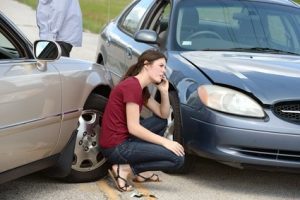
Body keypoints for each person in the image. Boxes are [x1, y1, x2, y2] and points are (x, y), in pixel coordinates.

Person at [99, 49, 185, 192]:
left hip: (123, 138)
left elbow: (163, 115)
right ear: (147, 65)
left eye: (165, 67)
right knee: (177, 159)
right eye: (161, 66)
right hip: (116, 147)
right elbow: (134, 128)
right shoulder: (132, 86)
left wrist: (164, 92)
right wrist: (166, 142)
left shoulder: (140, 87)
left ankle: (140, 172)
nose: (164, 71)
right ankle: (126, 169)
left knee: (161, 122)